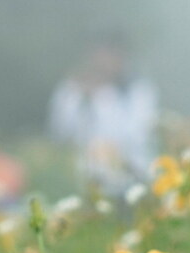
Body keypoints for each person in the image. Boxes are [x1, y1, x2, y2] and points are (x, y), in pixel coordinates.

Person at [48, 31, 158, 196]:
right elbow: (59, 134)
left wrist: (103, 100)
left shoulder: (137, 91)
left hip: (133, 181)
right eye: (99, 54)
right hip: (87, 183)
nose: (105, 61)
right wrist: (80, 99)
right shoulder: (72, 89)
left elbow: (138, 135)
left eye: (112, 54)